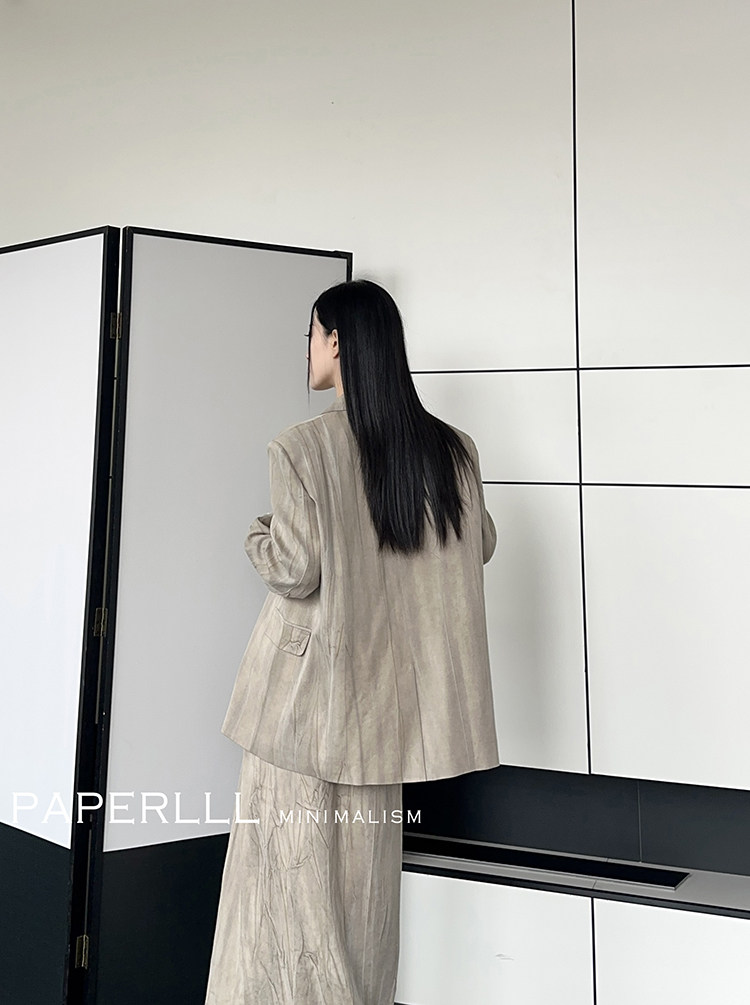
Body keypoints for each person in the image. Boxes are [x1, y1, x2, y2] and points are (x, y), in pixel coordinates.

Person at [204, 279, 499, 1005]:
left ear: (337, 341)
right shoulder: (452, 451)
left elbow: (296, 569)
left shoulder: (302, 448)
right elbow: (479, 546)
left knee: (279, 898)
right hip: (387, 717)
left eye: (312, 333)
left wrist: (257, 535)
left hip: (303, 714)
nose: (307, 347)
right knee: (365, 902)